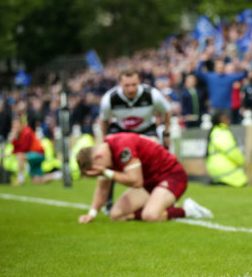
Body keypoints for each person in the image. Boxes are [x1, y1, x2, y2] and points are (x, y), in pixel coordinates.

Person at [76, 132, 213, 223]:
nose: (101, 173)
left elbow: (136, 181)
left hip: (170, 175)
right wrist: (92, 213)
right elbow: (103, 188)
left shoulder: (122, 148)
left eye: (98, 171)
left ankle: (188, 210)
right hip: (149, 182)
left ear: (98, 157)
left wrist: (107, 172)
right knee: (116, 215)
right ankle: (160, 203)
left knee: (150, 216)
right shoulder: (105, 158)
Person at [99, 68, 173, 212]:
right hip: (121, 131)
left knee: (156, 158)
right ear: (120, 84)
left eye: (134, 85)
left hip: (146, 130)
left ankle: (159, 198)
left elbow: (167, 111)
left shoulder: (152, 95)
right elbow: (104, 120)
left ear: (139, 82)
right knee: (108, 161)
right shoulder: (110, 98)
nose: (131, 89)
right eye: (127, 86)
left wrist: (167, 133)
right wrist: (105, 140)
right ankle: (107, 202)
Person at [206, 111, 248, 187]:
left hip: (215, 171)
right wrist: (242, 161)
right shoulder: (222, 132)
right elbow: (232, 151)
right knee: (242, 181)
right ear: (220, 121)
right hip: (226, 171)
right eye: (226, 119)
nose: (228, 121)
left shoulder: (214, 132)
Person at [9, 118, 45, 185]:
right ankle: (58, 175)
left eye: (17, 126)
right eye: (14, 127)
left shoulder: (27, 132)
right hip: (33, 155)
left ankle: (20, 178)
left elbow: (24, 148)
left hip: (38, 154)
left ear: (21, 124)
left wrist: (13, 151)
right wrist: (14, 138)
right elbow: (18, 147)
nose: (15, 128)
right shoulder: (21, 133)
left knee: (20, 156)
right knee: (37, 180)